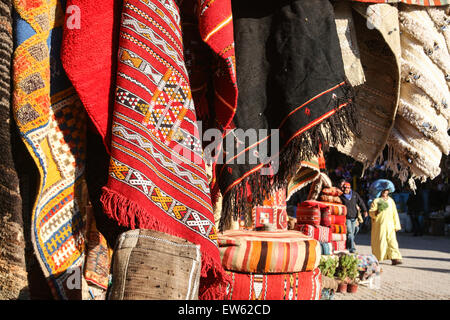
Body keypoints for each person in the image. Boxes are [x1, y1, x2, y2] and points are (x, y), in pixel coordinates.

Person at [369, 189, 403, 265]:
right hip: (380, 225)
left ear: (388, 192)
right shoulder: (376, 201)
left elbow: (395, 213)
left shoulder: (391, 201)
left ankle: (395, 258)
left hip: (390, 225)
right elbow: (371, 212)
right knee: (380, 241)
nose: (385, 192)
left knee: (392, 242)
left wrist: (396, 225)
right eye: (383, 191)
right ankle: (376, 257)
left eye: (386, 191)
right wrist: (376, 211)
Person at [339, 181, 368, 253]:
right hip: (347, 217)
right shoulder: (341, 197)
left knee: (356, 229)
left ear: (350, 189)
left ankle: (348, 244)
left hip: (354, 217)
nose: (346, 190)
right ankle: (352, 248)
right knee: (349, 232)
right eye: (345, 188)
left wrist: (364, 210)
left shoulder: (355, 195)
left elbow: (360, 202)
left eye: (348, 188)